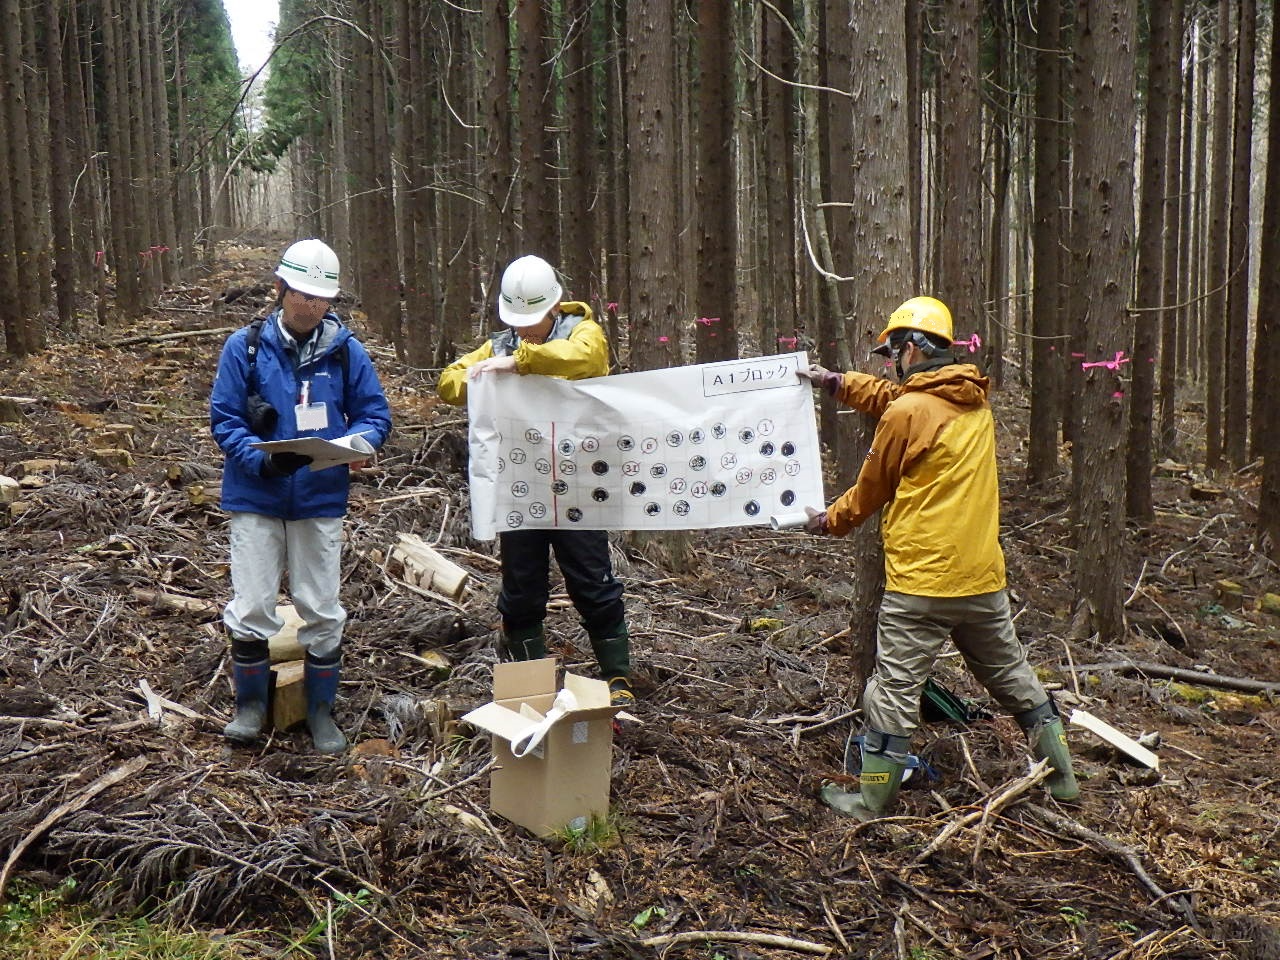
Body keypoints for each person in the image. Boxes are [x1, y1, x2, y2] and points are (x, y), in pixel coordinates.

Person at [797, 296, 1078, 820]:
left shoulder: (910, 410)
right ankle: (1062, 777)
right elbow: (896, 398)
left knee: (893, 689)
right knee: (1011, 674)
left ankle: (872, 801)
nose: (888, 362)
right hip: (982, 578)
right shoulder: (972, 400)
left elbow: (870, 488)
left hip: (922, 584)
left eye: (892, 352)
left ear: (911, 348)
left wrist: (826, 521)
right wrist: (835, 382)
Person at [210, 238, 392, 753]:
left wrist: (359, 445)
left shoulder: (346, 352)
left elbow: (375, 414)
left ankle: (320, 711)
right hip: (255, 496)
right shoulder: (243, 347)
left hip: (319, 496)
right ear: (280, 289)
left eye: (321, 297)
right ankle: (249, 708)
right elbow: (224, 419)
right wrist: (261, 459)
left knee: (321, 605)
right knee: (251, 603)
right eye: (302, 294)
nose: (311, 305)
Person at [437, 254, 635, 707]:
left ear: (553, 307)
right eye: (518, 323)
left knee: (592, 580)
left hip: (579, 482)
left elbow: (585, 359)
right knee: (522, 587)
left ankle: (617, 676)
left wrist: (520, 363)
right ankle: (531, 682)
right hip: (521, 487)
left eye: (532, 320)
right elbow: (449, 384)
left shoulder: (583, 333)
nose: (524, 330)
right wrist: (479, 376)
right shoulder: (499, 344)